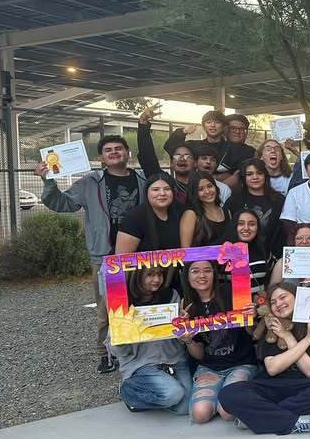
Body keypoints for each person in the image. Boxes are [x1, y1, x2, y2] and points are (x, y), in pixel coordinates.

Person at [37, 134, 147, 373]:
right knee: (107, 308)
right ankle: (105, 353)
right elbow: (63, 203)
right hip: (105, 255)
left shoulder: (142, 179)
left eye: (118, 148)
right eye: (108, 150)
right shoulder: (90, 182)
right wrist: (48, 181)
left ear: (127, 153)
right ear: (101, 157)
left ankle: (139, 350)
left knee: (142, 301)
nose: (114, 152)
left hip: (140, 254)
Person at [218, 282, 310, 434]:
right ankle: (296, 423)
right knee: (228, 393)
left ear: (298, 297)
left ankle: (260, 416)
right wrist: (302, 339)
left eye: (283, 297)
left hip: (307, 386)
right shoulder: (271, 326)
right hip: (273, 386)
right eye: (273, 302)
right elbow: (272, 368)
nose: (278, 304)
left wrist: (295, 337)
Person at [178, 260, 259, 423]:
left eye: (207, 270)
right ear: (187, 276)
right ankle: (224, 395)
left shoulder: (231, 292)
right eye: (195, 271)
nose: (201, 275)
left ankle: (235, 394)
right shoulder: (187, 305)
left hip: (241, 363)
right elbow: (199, 355)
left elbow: (252, 334)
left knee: (227, 411)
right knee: (200, 414)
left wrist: (251, 318)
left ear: (214, 274)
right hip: (210, 367)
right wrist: (188, 340)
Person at [110, 267, 192, 414]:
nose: (157, 280)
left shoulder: (171, 295)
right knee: (173, 394)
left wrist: (182, 326)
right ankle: (128, 391)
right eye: (150, 275)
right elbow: (117, 351)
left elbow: (179, 339)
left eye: (160, 274)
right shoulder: (123, 301)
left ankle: (158, 393)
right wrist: (121, 336)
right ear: (138, 276)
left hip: (174, 359)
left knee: (185, 407)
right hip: (141, 362)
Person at [164, 110, 255, 187]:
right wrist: (183, 131)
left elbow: (245, 169)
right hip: (196, 191)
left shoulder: (237, 148)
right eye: (208, 122)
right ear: (203, 126)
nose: (213, 125)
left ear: (224, 127)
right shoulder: (194, 145)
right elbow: (169, 146)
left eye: (217, 122)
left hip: (228, 193)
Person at [136, 103, 196, 205]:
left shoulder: (204, 186)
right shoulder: (166, 185)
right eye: (177, 156)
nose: (182, 159)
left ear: (195, 162)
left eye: (187, 156)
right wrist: (143, 124)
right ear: (171, 163)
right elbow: (147, 157)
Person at [227, 159, 286, 257]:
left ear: (265, 175)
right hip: (240, 256)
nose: (255, 177)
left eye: (259, 173)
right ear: (244, 177)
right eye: (249, 174)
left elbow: (281, 232)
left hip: (271, 254)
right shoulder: (234, 200)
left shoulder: (279, 200)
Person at [114, 173, 183, 254]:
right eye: (155, 190)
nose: (162, 193)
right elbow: (121, 257)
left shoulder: (178, 214)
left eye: (167, 189)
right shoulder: (134, 218)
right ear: (147, 192)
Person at [222, 208, 270, 295]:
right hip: (228, 302)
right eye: (240, 224)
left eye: (252, 224)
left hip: (258, 302)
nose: (246, 228)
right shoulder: (221, 251)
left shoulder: (264, 250)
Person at [180, 171, 232, 247]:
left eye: (210, 186)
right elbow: (185, 249)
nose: (207, 191)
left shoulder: (227, 212)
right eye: (200, 189)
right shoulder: (191, 214)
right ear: (194, 193)